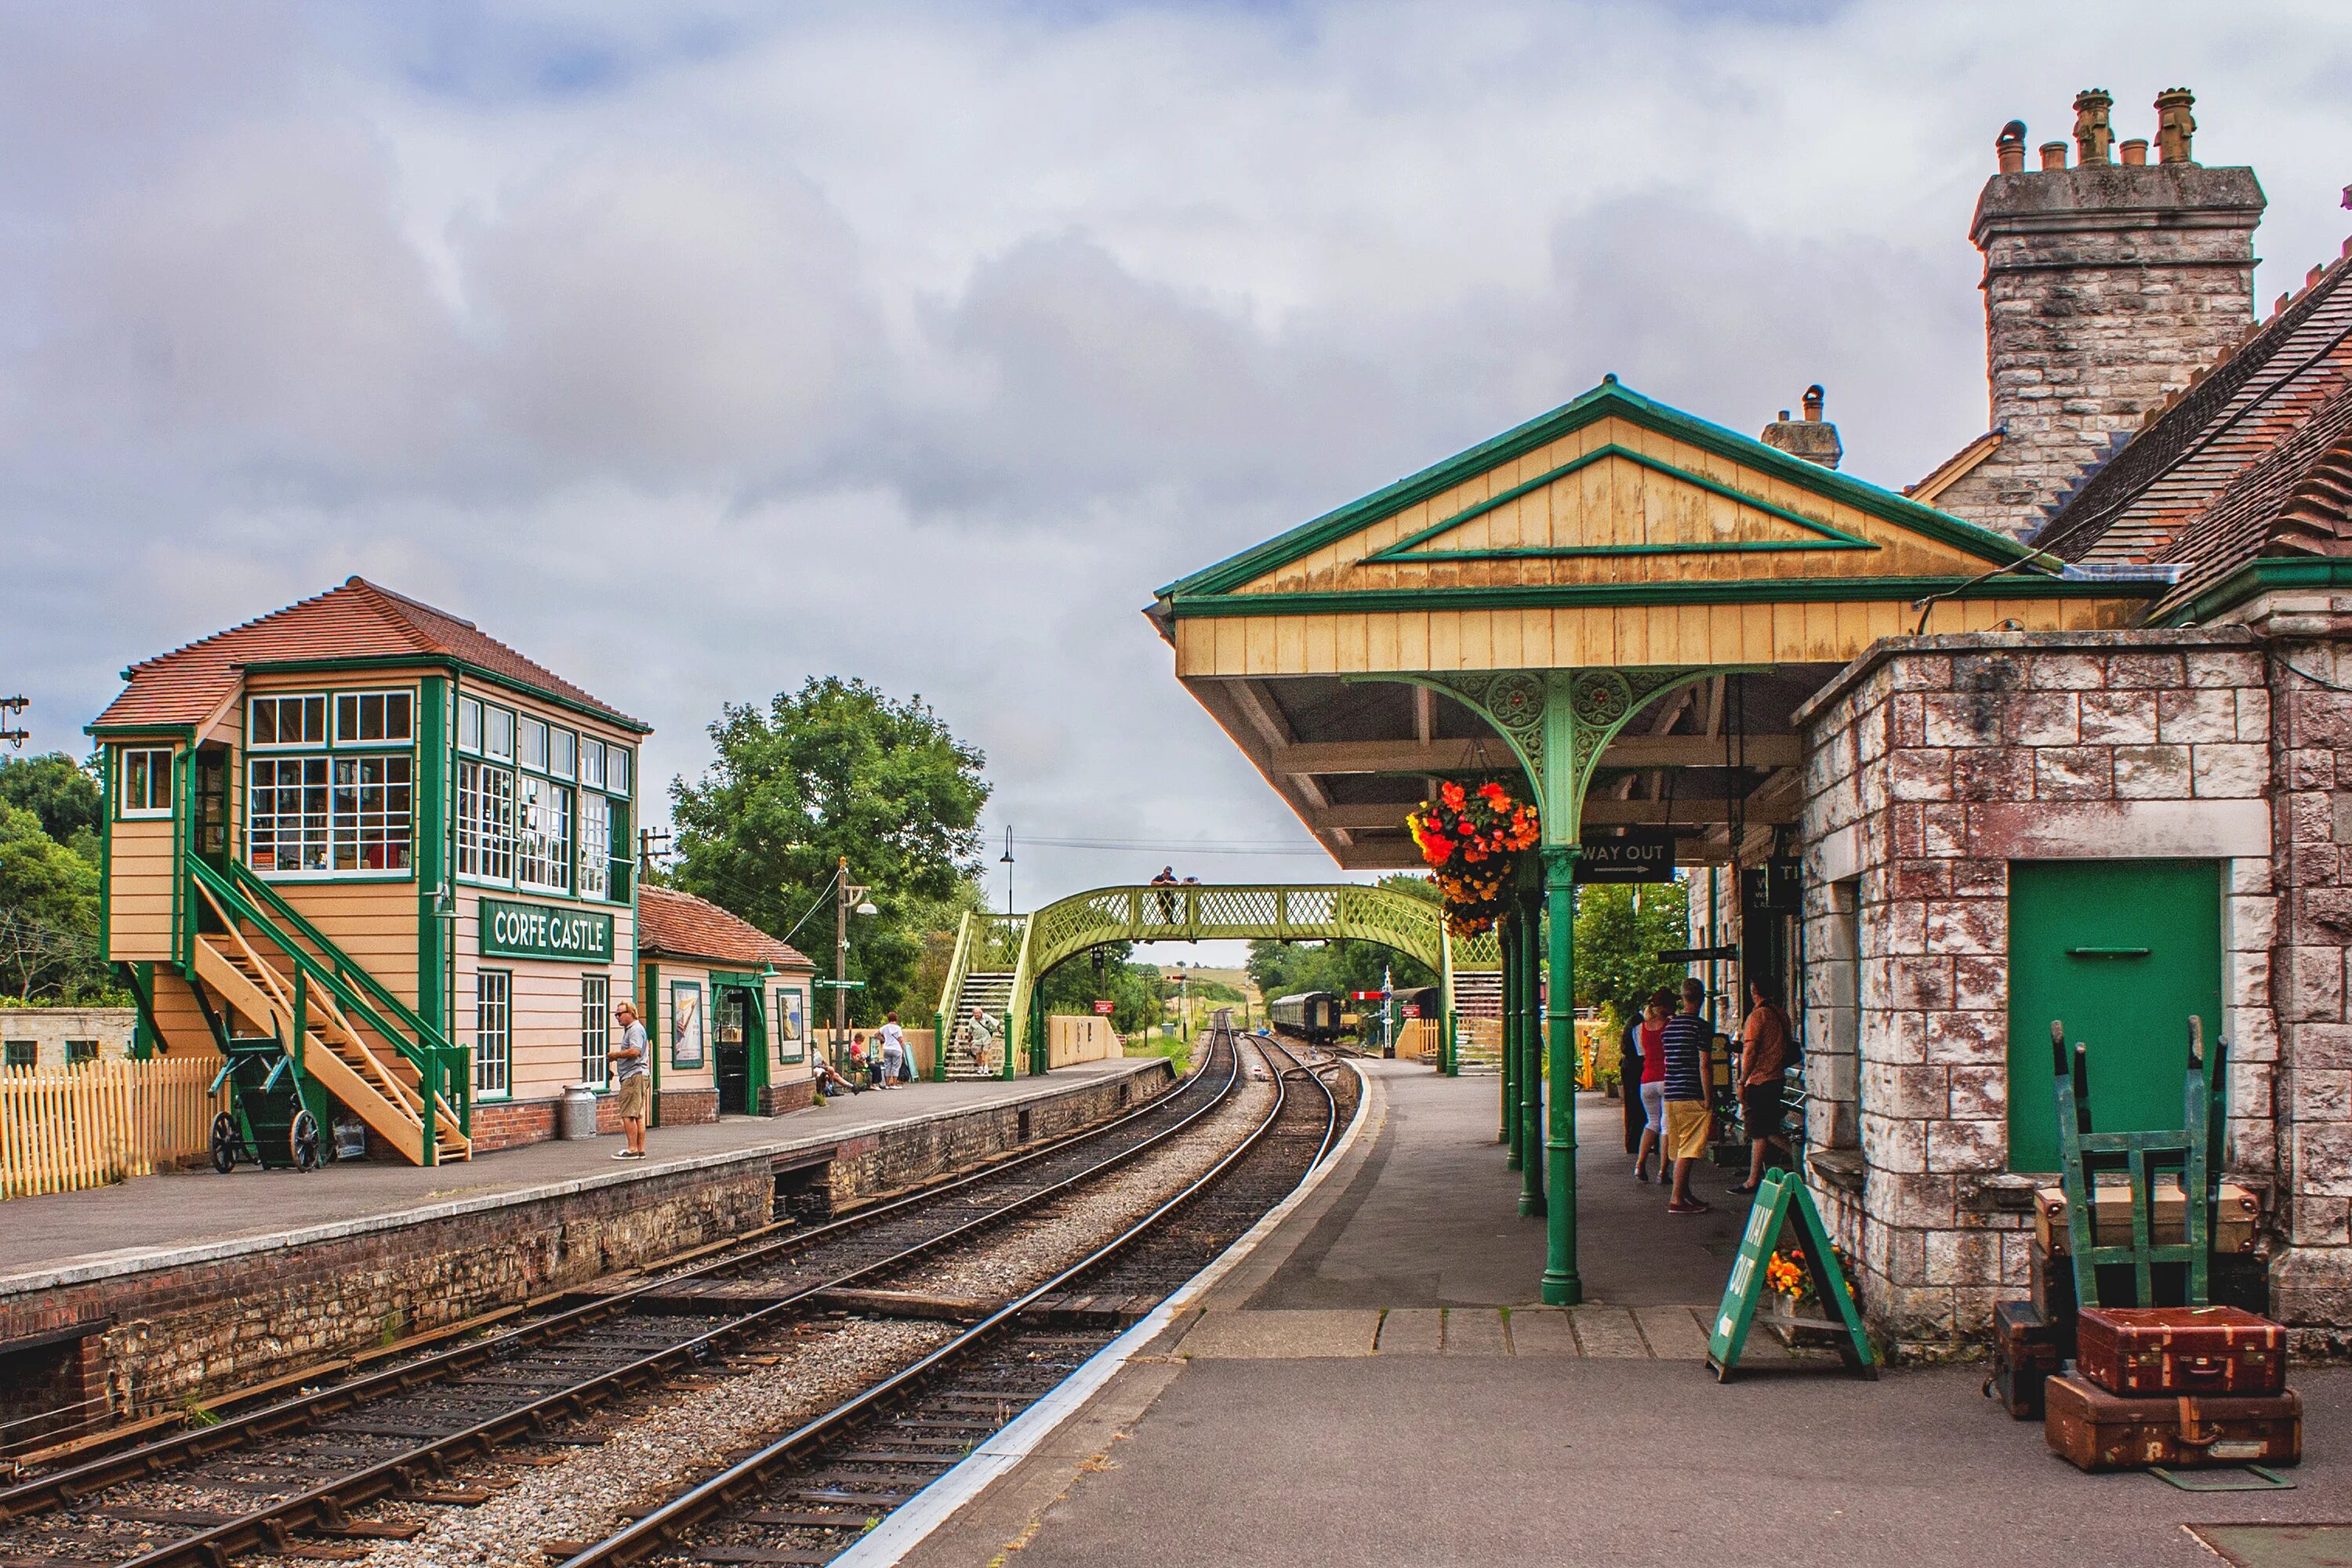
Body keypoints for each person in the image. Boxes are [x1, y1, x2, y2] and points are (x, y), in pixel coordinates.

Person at [1730, 976, 1796, 1195]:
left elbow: (1751, 1051)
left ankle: (1754, 1179)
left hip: (1760, 1080)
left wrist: (1741, 1080)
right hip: (1776, 1077)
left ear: (1754, 990)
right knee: (1766, 1128)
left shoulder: (1758, 1016)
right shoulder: (1781, 1014)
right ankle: (1759, 1174)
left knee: (1761, 1130)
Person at [1658, 980, 1714, 1214]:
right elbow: (1705, 1063)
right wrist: (1708, 1095)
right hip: (1691, 1092)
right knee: (1690, 1147)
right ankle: (1677, 1199)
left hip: (1671, 1093)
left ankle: (1686, 1193)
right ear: (1701, 999)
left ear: (1682, 998)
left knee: (1679, 1144)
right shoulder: (1701, 1027)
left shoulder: (1669, 1028)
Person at [1630, 987, 1674, 1183]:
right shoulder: (1672, 1025)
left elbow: (1642, 1053)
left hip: (1647, 1080)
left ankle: (1640, 1164)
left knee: (1652, 1122)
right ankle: (1663, 1171)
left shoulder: (1640, 1028)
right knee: (1666, 1126)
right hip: (1667, 1079)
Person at [611, 1001, 651, 1160]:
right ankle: (640, 1150)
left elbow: (635, 1051)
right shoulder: (634, 1029)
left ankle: (632, 1149)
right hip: (639, 1075)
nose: (617, 1017)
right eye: (616, 1014)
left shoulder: (634, 1030)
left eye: (620, 1014)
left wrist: (616, 1055)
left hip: (633, 1076)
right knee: (638, 1115)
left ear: (631, 1013)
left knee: (628, 1114)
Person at [879, 1013, 907, 1089]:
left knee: (888, 1066)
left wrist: (883, 1040)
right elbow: (900, 1040)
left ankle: (887, 1084)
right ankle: (894, 1084)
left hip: (887, 1049)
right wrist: (903, 1048)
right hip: (896, 1049)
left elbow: (876, 1034)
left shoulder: (884, 1028)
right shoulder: (898, 1028)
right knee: (895, 1067)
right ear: (896, 1019)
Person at [969, 1006, 999, 1075]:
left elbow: (996, 1022)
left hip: (986, 1037)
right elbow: (970, 1031)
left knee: (986, 1051)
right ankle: (980, 1067)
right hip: (977, 1039)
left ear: (981, 1013)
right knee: (978, 1053)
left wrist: (999, 1030)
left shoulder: (986, 1017)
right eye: (975, 1013)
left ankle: (986, 1067)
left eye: (977, 1013)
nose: (976, 1015)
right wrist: (970, 1040)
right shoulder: (972, 1021)